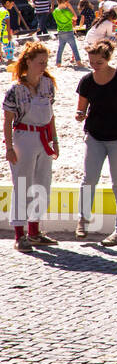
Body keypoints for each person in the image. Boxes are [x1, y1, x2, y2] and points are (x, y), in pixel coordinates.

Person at [74, 41, 117, 245]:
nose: (95, 65)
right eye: (92, 61)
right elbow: (81, 110)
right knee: (89, 179)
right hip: (94, 136)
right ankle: (83, 220)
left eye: (99, 62)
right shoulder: (86, 80)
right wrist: (79, 115)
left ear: (108, 59)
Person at [3, 42, 61, 251]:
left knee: (43, 184)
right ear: (28, 62)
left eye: (45, 62)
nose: (43, 66)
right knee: (22, 185)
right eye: (40, 62)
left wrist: (55, 139)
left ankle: (34, 230)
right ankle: (20, 234)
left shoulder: (47, 84)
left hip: (43, 136)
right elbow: (8, 120)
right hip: (24, 137)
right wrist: (9, 147)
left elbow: (51, 115)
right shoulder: (15, 90)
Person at [52, 0, 86, 68]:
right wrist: (70, 7)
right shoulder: (67, 11)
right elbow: (75, 17)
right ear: (67, 1)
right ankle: (78, 62)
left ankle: (58, 63)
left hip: (60, 31)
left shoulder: (55, 11)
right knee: (74, 47)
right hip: (69, 31)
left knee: (60, 48)